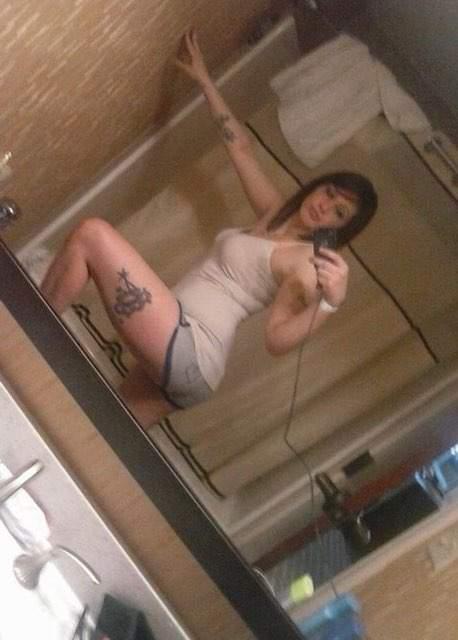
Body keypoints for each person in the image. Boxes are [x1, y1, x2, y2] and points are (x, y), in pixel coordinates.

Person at [41, 29, 378, 427]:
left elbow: (276, 339)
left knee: (91, 234)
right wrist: (205, 80)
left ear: (340, 231)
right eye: (329, 192)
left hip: (193, 347)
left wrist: (329, 304)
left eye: (339, 213)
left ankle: (24, 334)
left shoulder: (304, 262)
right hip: (191, 362)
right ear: (317, 186)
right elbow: (240, 148)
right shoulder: (274, 215)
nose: (324, 207)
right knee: (98, 432)